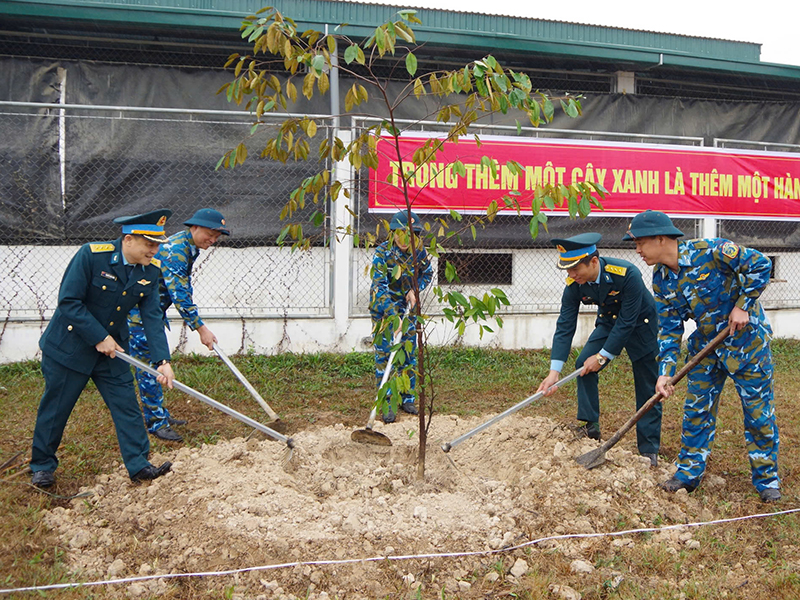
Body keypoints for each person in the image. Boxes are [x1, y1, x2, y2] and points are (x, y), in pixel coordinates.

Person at [623, 210, 780, 502]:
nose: (638, 250)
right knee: (696, 412)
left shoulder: (712, 251)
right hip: (706, 349)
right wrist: (665, 372)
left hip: (747, 345)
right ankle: (689, 473)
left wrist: (743, 305)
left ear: (660, 238)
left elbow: (760, 265)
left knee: (758, 414)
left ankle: (767, 479)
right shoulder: (661, 280)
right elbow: (669, 329)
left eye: (640, 242)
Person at [30, 210, 176, 488]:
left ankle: (139, 464)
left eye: (157, 244)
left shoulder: (151, 270)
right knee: (57, 407)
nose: (155, 250)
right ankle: (42, 465)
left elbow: (153, 317)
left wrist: (162, 360)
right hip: (70, 347)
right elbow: (69, 302)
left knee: (127, 406)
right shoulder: (91, 256)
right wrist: (98, 336)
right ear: (129, 239)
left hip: (113, 351)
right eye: (150, 243)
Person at [536, 232, 662, 466]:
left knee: (647, 382)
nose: (571, 275)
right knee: (583, 366)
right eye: (568, 270)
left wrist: (602, 357)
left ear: (593, 262)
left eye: (575, 269)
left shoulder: (627, 274)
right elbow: (565, 324)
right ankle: (590, 426)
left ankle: (649, 447)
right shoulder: (574, 285)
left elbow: (627, 323)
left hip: (640, 325)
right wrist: (554, 371)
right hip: (609, 322)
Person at [128, 208, 230, 442]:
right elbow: (179, 293)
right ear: (194, 227)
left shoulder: (188, 247)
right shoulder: (176, 250)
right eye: (209, 234)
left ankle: (158, 413)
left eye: (217, 236)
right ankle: (156, 422)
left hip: (151, 313)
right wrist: (201, 328)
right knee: (151, 367)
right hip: (138, 316)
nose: (212, 240)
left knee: (155, 364)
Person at [369, 210, 433, 423]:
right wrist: (393, 317)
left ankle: (407, 397)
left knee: (407, 354)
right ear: (393, 232)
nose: (406, 239)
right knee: (385, 355)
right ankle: (386, 401)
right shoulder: (382, 253)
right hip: (384, 311)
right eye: (402, 233)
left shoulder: (419, 252)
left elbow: (427, 273)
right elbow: (379, 287)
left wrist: (415, 288)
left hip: (408, 310)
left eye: (412, 234)